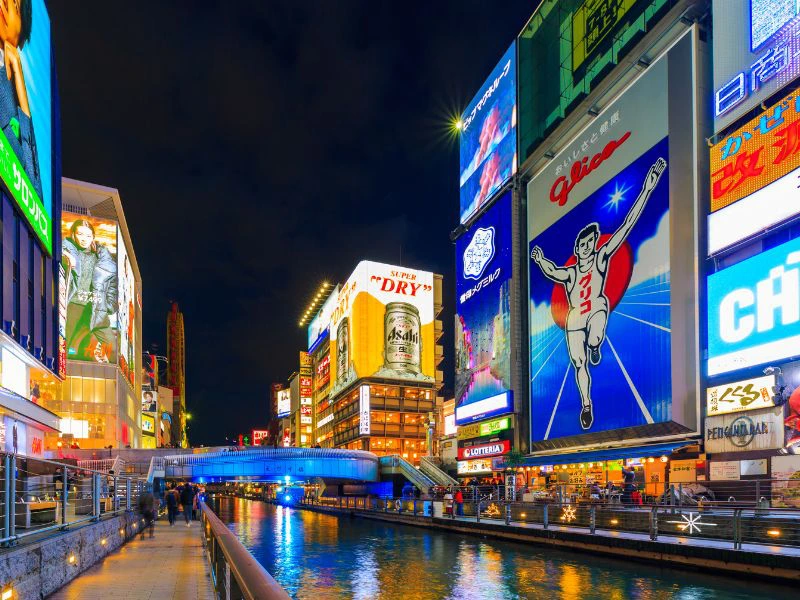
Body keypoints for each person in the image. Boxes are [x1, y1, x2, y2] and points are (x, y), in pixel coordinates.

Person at [530, 158, 667, 430]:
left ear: (594, 245)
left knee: (598, 308)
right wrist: (538, 259)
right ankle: (586, 405)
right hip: (574, 320)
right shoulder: (570, 273)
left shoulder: (601, 258)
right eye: (583, 243)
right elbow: (551, 270)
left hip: (595, 309)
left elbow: (627, 225)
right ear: (578, 246)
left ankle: (595, 345)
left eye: (591, 243)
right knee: (579, 364)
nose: (586, 247)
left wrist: (648, 189)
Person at [0, 0, 42, 198]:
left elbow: (33, 196)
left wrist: (17, 70)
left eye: (14, 3)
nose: (4, 5)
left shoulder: (11, 95)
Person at [62, 219, 118, 363]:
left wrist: (109, 306)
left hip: (96, 308)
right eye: (80, 234)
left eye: (88, 235)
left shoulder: (102, 257)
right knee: (65, 344)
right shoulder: (67, 251)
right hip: (74, 305)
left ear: (93, 236)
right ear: (73, 234)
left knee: (112, 347)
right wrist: (66, 258)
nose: (84, 239)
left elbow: (112, 284)